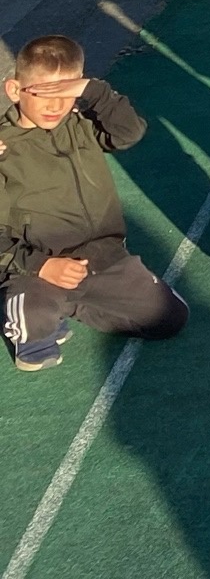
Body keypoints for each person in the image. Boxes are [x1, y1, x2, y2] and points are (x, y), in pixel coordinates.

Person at [2, 37, 188, 371]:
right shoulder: (4, 147)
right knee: (36, 348)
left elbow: (129, 132)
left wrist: (93, 90)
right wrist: (42, 265)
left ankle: (72, 302)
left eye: (66, 93)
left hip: (103, 258)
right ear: (15, 90)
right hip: (37, 266)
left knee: (169, 318)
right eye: (43, 93)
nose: (55, 105)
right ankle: (30, 301)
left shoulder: (81, 126)